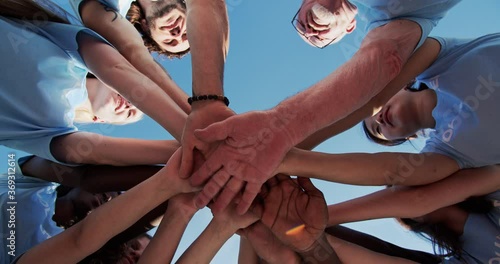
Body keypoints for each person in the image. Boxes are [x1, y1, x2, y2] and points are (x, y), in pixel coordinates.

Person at [182, 0, 463, 214]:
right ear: (351, 30)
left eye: (299, 22)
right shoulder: (404, 19)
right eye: (317, 40)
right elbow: (381, 57)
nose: (309, 31)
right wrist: (281, 128)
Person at [0, 1, 184, 166]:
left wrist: (188, 149)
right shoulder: (69, 50)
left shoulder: (51, 128)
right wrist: (191, 124)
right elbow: (120, 65)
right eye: (136, 99)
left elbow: (95, 153)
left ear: (102, 120)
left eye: (130, 113)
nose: (130, 103)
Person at [12, 148, 197, 264]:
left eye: (129, 247)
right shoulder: (28, 183)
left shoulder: (67, 252)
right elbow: (87, 177)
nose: (109, 199)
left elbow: (94, 233)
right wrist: (189, 167)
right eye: (114, 192)